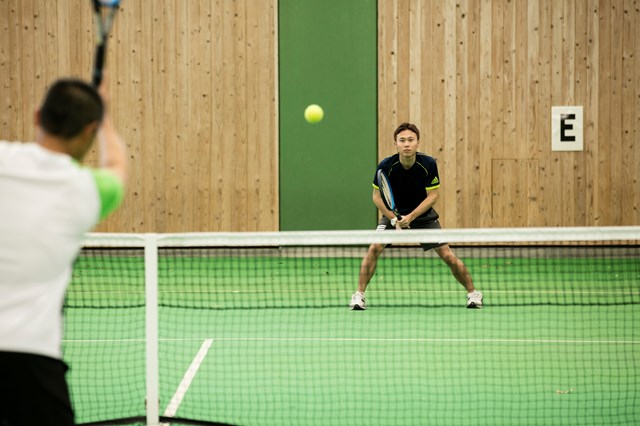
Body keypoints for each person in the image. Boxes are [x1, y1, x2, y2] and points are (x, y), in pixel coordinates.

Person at [0, 75, 128, 425]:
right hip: (32, 364)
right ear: (90, 129)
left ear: (37, 116)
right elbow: (117, 168)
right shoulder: (86, 190)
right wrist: (108, 120)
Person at [350, 122, 482, 310]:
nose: (406, 144)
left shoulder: (427, 164)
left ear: (417, 143)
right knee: (374, 247)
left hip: (423, 216)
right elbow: (377, 198)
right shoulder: (386, 166)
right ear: (395, 144)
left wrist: (411, 217)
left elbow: (433, 196)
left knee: (447, 255)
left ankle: (473, 293)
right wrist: (393, 218)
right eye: (402, 140)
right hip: (393, 215)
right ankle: (359, 295)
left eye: (410, 140)